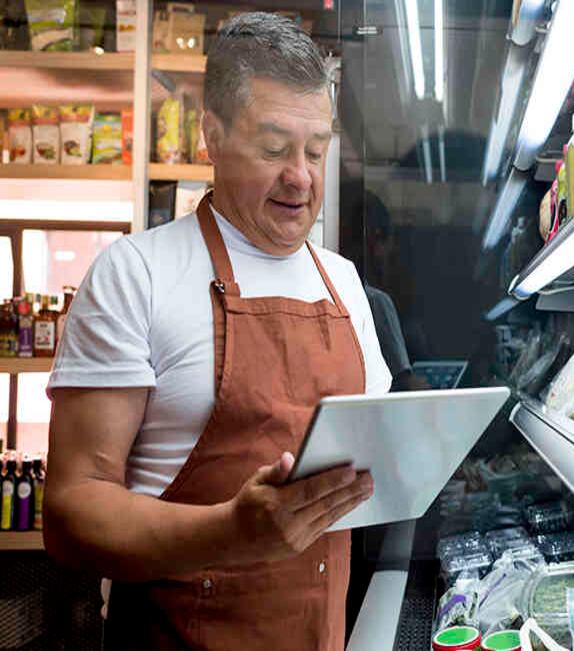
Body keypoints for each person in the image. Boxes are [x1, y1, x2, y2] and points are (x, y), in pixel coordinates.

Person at [43, 13, 391, 651]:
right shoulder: (136, 274)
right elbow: (70, 513)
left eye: (316, 150)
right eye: (274, 148)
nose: (302, 176)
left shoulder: (345, 286)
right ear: (212, 134)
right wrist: (232, 533)